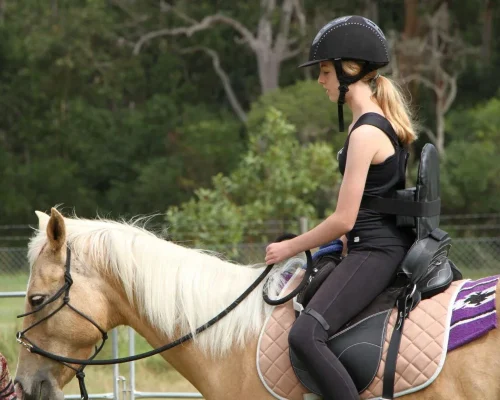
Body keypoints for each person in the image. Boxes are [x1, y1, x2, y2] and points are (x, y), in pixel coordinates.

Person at [265, 16, 417, 400]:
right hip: (368, 246)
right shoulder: (367, 125)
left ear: (350, 72)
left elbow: (344, 218)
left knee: (305, 334)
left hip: (375, 252)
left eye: (325, 70)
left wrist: (290, 246)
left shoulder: (366, 132)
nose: (321, 80)